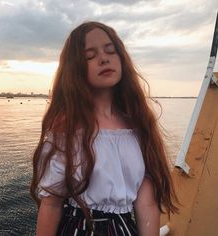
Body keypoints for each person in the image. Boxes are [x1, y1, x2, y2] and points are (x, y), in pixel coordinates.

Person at [30, 21, 179, 236]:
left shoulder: (138, 126)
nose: (104, 58)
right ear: (76, 68)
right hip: (77, 229)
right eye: (90, 55)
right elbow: (51, 204)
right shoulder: (67, 129)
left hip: (123, 229)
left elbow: (146, 204)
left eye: (111, 51)